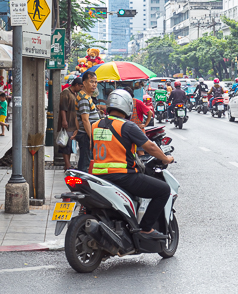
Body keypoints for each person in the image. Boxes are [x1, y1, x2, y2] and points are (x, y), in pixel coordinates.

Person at [90, 89, 174, 237]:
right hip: (124, 177)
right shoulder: (127, 126)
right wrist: (166, 158)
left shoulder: (95, 125)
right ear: (127, 107)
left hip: (98, 176)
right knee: (163, 190)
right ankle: (146, 228)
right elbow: (151, 147)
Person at [76, 71, 101, 172]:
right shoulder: (83, 98)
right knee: (86, 162)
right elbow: (85, 120)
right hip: (86, 135)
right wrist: (91, 138)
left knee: (86, 160)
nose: (94, 84)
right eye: (91, 82)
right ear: (84, 83)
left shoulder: (87, 96)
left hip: (87, 133)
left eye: (95, 82)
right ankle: (82, 183)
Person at [59, 76, 83, 170]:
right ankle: (67, 164)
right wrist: (64, 120)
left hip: (73, 123)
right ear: (76, 85)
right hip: (68, 121)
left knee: (70, 144)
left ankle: (67, 164)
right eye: (80, 86)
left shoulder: (75, 93)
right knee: (66, 144)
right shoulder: (66, 92)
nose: (81, 88)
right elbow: (63, 108)